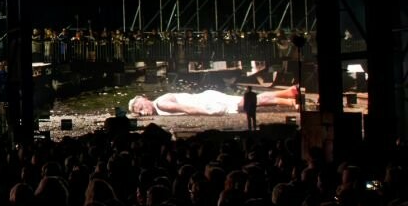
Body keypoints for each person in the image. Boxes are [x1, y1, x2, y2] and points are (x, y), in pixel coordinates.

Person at [128, 86, 299, 117]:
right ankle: (289, 94)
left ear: (145, 99)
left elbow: (187, 108)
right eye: (139, 112)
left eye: (141, 107)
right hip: (206, 98)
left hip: (208, 101)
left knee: (250, 102)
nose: (143, 112)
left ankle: (290, 100)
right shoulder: (158, 102)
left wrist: (210, 112)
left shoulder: (161, 104)